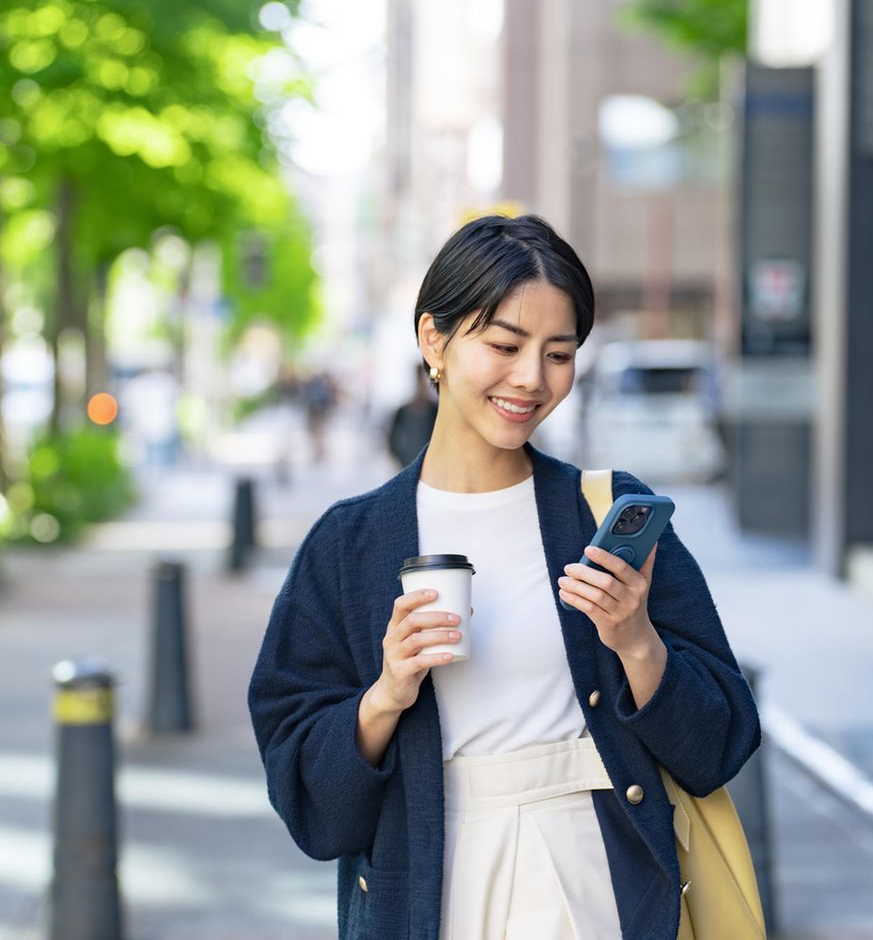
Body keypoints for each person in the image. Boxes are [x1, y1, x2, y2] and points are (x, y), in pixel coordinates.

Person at [247, 214, 761, 940]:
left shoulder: (607, 513)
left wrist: (637, 642)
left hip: (601, 887)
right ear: (435, 340)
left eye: (558, 353)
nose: (531, 379)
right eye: (505, 345)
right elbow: (310, 804)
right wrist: (387, 696)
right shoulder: (348, 544)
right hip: (429, 891)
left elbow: (720, 746)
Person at [386, 364, 439, 468]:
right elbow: (392, 439)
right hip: (408, 463)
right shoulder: (402, 411)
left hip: (430, 465)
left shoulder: (435, 410)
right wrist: (401, 456)